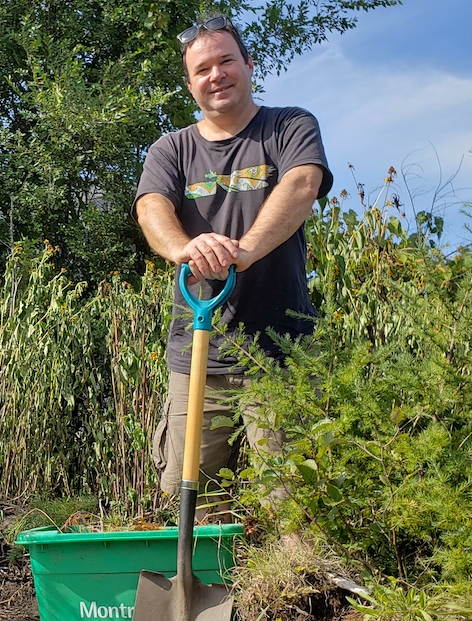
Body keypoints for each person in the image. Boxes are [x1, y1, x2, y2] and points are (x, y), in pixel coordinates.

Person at [132, 16, 333, 521]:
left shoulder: (288, 126)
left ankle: (292, 588)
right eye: (203, 69)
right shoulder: (171, 149)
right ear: (190, 83)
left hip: (280, 350)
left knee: (294, 502)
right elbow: (151, 208)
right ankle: (217, 591)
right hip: (198, 351)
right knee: (191, 501)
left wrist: (242, 250)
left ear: (248, 65)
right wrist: (184, 249)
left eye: (226, 61)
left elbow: (302, 184)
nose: (216, 74)